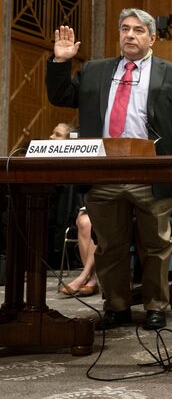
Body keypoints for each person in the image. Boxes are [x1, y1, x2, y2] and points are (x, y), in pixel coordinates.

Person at [46, 8, 172, 330]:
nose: (130, 35)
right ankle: (116, 306)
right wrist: (61, 62)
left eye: (139, 30)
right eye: (125, 29)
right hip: (105, 171)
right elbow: (61, 95)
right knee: (110, 244)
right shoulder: (95, 71)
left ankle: (156, 305)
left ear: (153, 38)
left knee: (155, 244)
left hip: (152, 172)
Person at [48, 123, 98, 297]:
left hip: (96, 207)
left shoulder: (84, 155)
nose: (51, 138)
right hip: (69, 216)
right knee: (84, 222)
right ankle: (90, 278)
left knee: (88, 222)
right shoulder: (44, 159)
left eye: (58, 134)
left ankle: (86, 277)